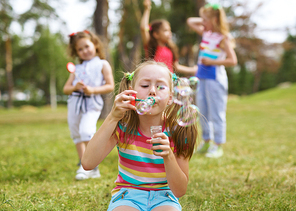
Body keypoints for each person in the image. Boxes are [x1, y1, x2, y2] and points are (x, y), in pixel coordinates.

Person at [82, 61, 198, 210]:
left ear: (170, 97)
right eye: (145, 86)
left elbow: (180, 190)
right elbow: (88, 163)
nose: (152, 91)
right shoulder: (123, 127)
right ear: (131, 92)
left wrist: (168, 155)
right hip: (127, 196)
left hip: (165, 197)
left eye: (160, 86)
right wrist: (113, 117)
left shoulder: (178, 132)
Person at [187, 3, 237, 158]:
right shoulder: (206, 33)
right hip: (202, 77)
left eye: (205, 20)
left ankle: (218, 144)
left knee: (217, 112)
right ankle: (207, 140)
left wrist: (212, 62)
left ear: (214, 20)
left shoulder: (224, 38)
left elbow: (232, 60)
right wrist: (206, 16)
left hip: (216, 78)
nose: (202, 23)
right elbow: (190, 21)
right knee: (203, 110)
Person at [63, 30, 114, 180]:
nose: (84, 51)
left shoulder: (102, 64)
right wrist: (75, 87)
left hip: (92, 104)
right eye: (80, 49)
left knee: (86, 131)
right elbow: (66, 89)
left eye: (86, 46)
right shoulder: (76, 69)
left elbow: (110, 85)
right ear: (76, 52)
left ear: (95, 44)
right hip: (74, 104)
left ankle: (93, 166)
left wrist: (92, 90)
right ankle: (83, 166)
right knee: (77, 135)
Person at [140, 0, 197, 75]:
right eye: (165, 30)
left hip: (168, 83)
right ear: (156, 34)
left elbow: (177, 67)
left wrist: (193, 70)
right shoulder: (151, 47)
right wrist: (147, 9)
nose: (169, 33)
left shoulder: (171, 49)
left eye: (170, 30)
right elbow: (143, 28)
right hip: (154, 81)